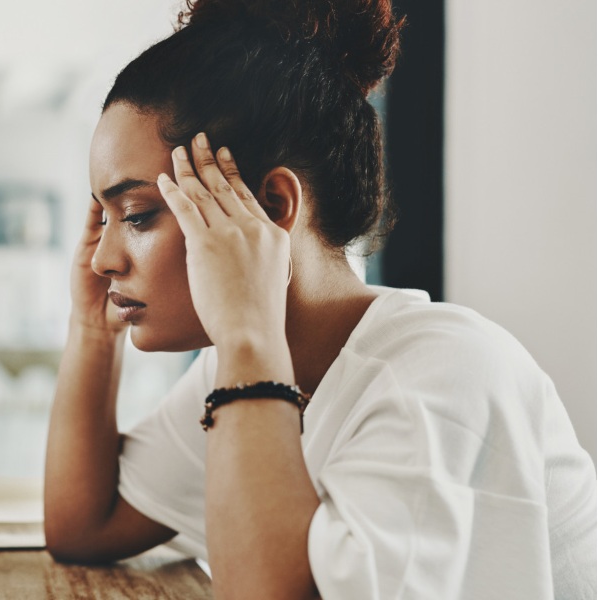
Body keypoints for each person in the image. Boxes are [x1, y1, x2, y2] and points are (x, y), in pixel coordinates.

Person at [43, 1, 597, 598]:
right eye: (103, 217)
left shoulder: (441, 375)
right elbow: (85, 525)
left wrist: (247, 340)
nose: (103, 258)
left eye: (138, 215)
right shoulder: (249, 365)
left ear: (273, 210)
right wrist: (93, 329)